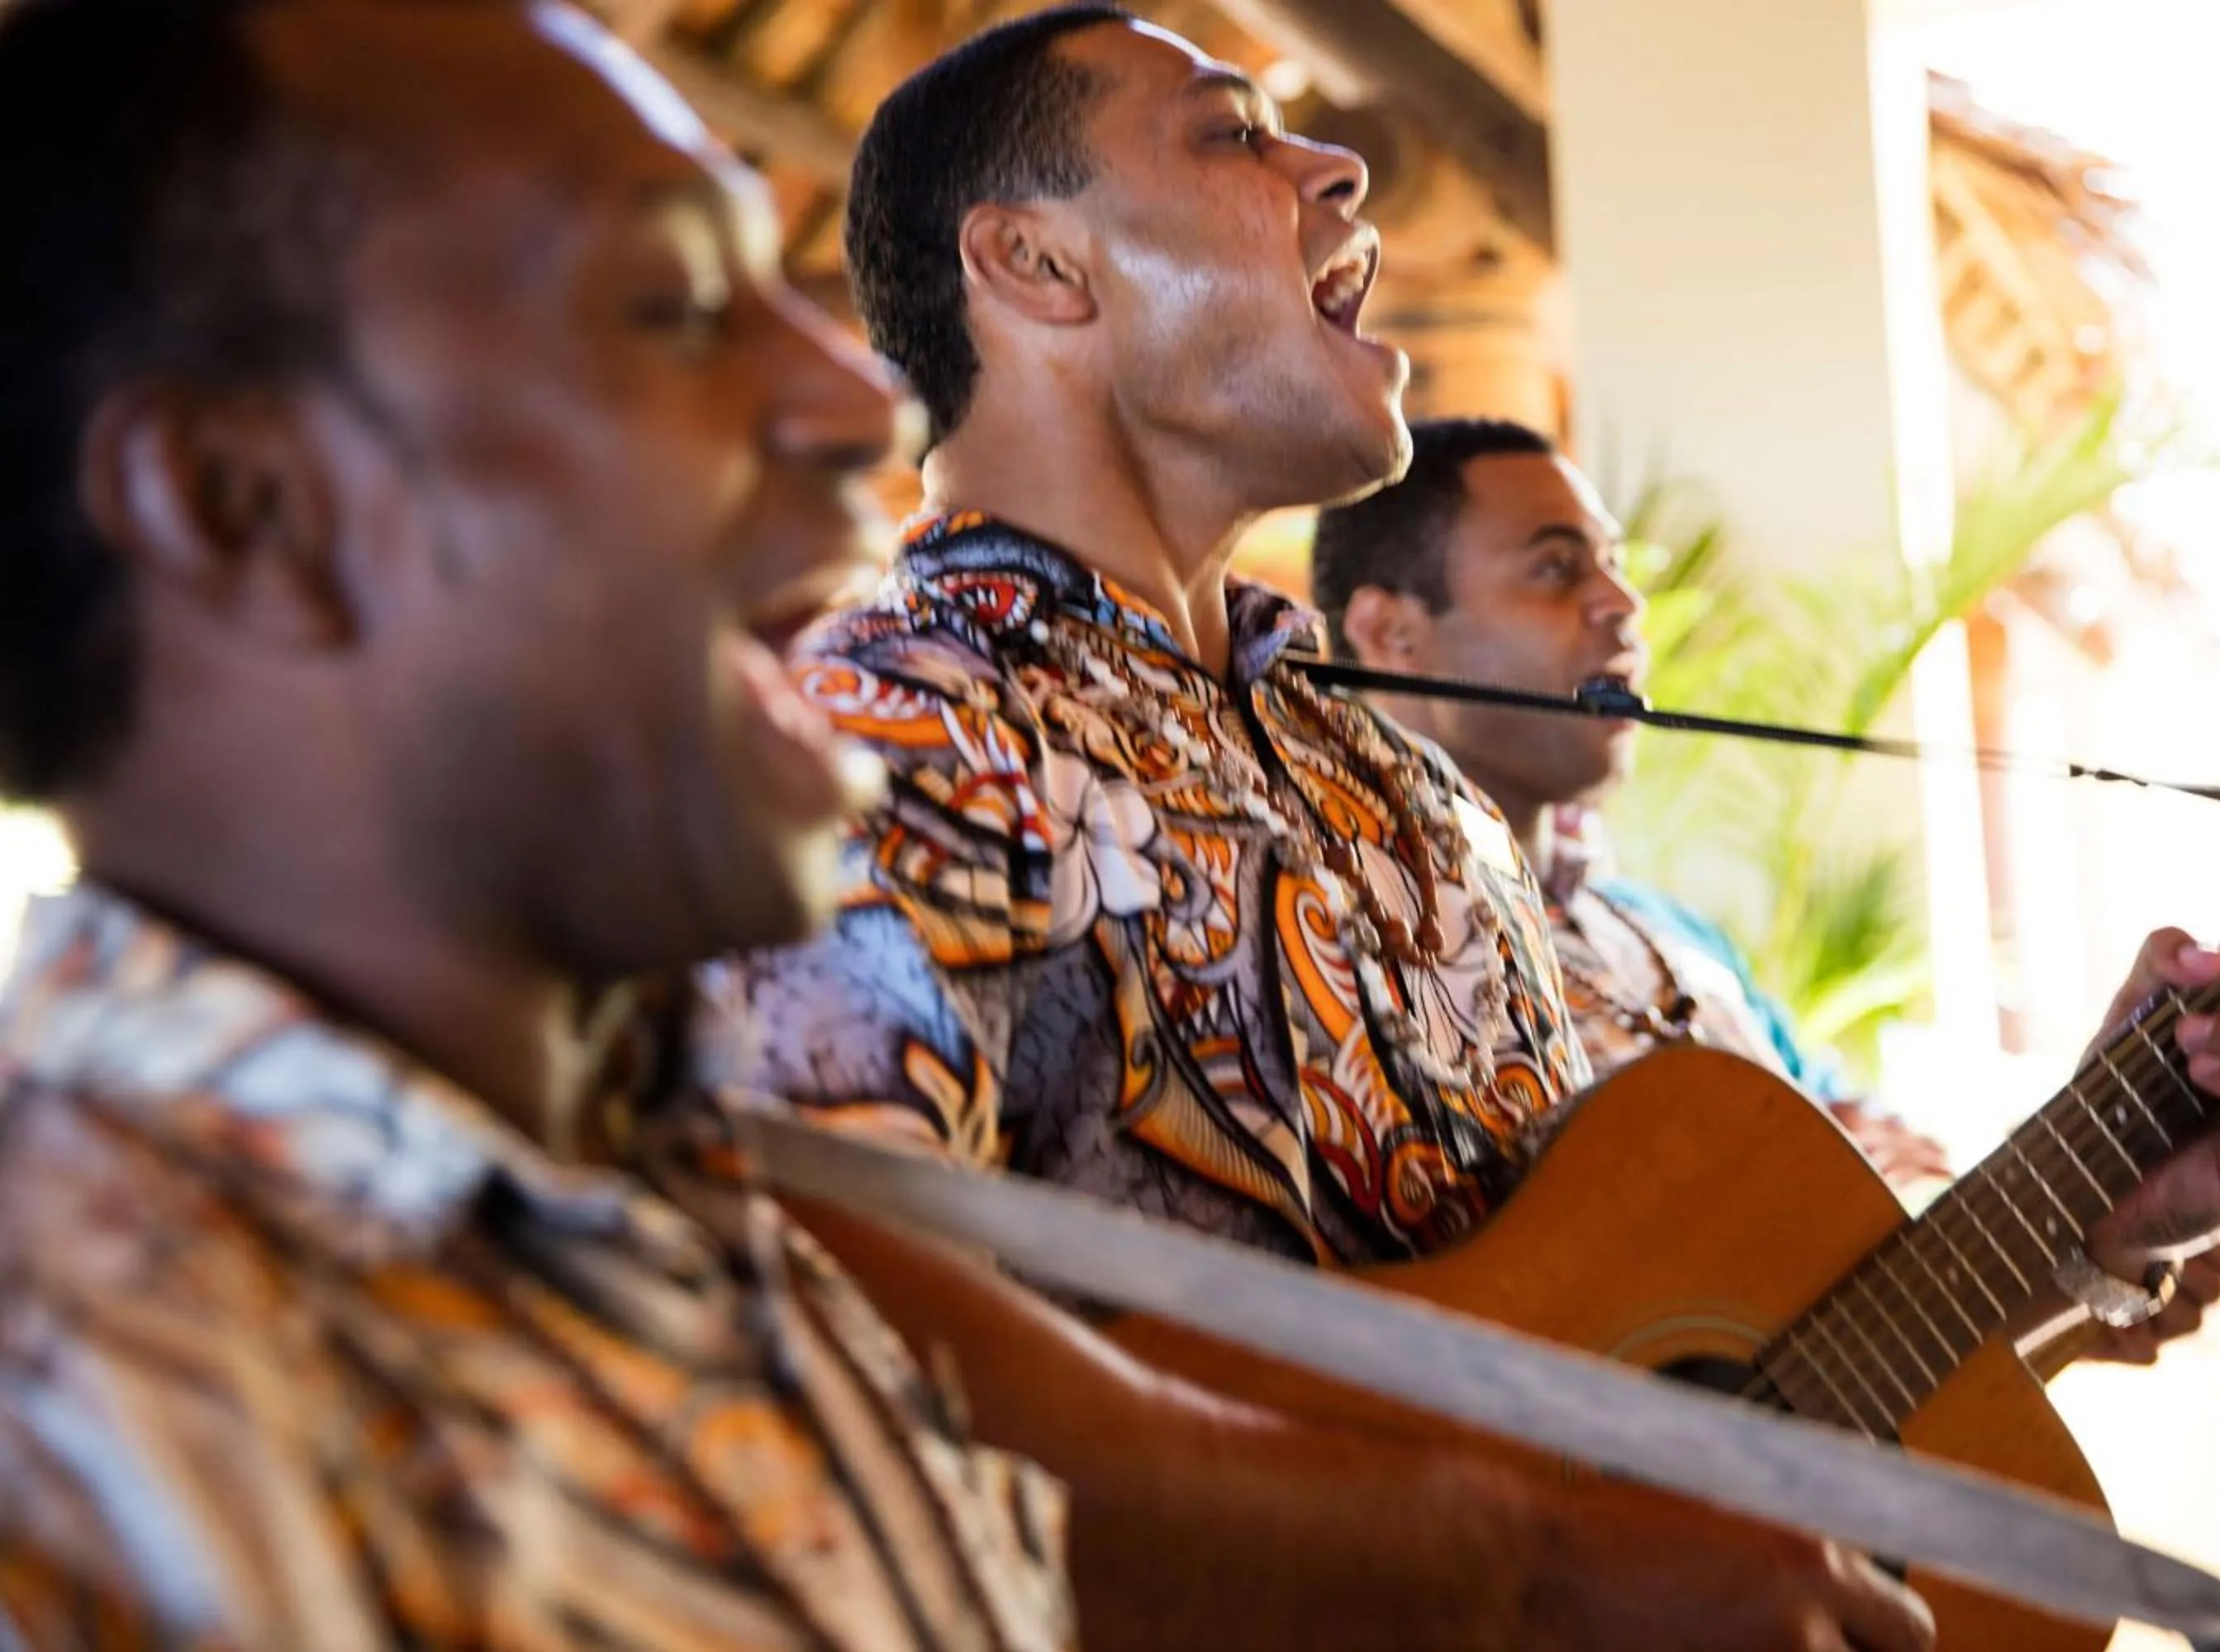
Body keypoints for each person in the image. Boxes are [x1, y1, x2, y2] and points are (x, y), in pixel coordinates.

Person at [0, 3, 1947, 1650]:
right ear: (239, 506)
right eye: (670, 304)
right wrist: (1532, 1569)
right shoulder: (91, 1404)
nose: (857, 404)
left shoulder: (695, 1178)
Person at [705, 1, 2220, 1630]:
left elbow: (1667, 1390)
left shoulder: (1416, 801)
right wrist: (1520, 1580)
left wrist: (2090, 1220)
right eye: (1232, 134)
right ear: (1037, 265)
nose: (1338, 171)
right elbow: (805, 1368)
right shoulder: (882, 736)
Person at [1309, 415, 2220, 1361]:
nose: (1621, 601)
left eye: (1614, 563)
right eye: (1558, 568)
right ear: (1390, 633)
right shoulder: (1329, 939)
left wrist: (2096, 1246)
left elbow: (1900, 1207)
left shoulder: (1670, 941)